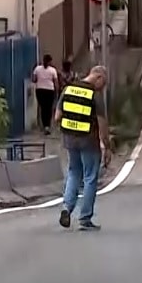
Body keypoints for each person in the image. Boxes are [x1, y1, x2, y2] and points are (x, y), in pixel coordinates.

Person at [54, 65, 112, 231]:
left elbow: (57, 117)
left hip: (70, 140)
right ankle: (85, 218)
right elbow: (102, 124)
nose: (103, 87)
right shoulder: (94, 95)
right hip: (89, 141)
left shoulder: (68, 89)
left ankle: (67, 208)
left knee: (73, 172)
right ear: (98, 77)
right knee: (90, 177)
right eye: (104, 83)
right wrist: (106, 146)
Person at [32, 54, 59, 135]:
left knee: (43, 108)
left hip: (40, 90)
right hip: (49, 90)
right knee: (48, 108)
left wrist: (39, 78)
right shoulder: (53, 70)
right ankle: (47, 125)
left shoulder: (37, 68)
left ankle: (44, 125)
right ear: (50, 61)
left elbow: (34, 79)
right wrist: (57, 91)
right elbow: (56, 82)